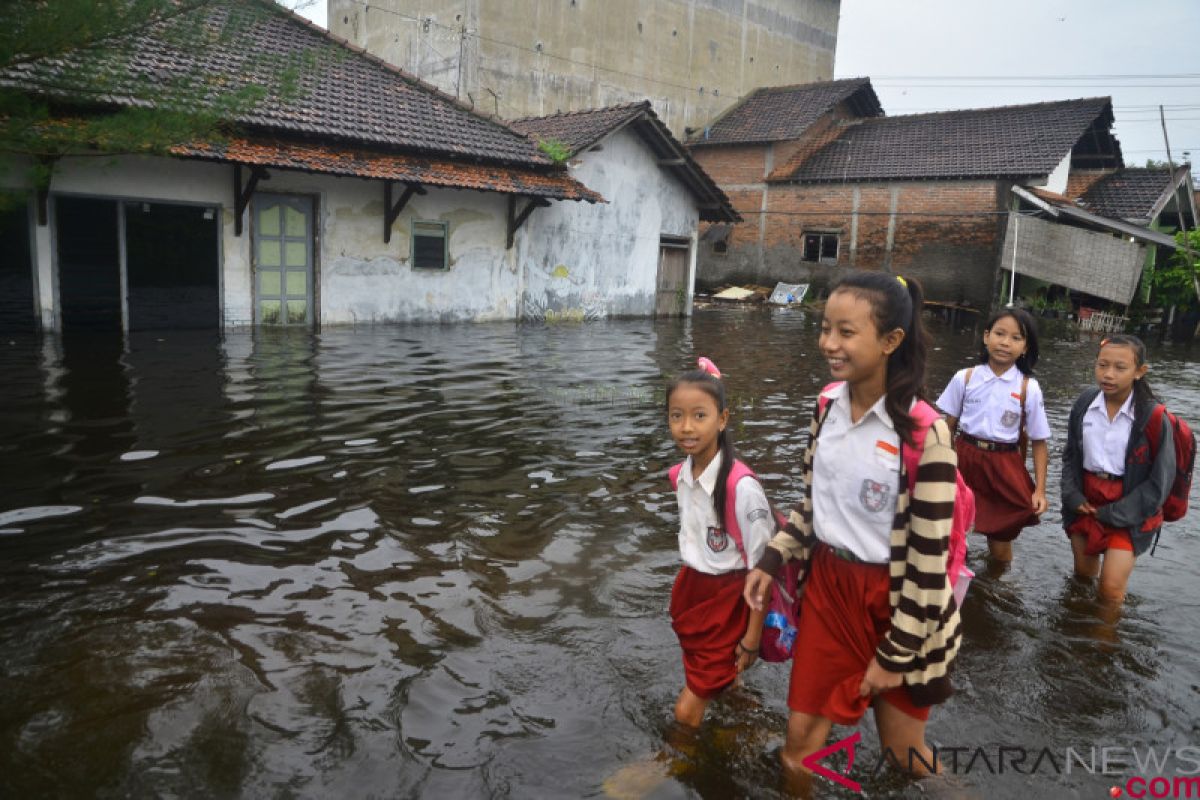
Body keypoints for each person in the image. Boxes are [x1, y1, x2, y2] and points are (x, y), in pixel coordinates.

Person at [743, 272, 961, 785]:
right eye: (824, 329)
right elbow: (813, 506)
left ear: (891, 341)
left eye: (845, 332)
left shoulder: (927, 433)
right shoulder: (826, 407)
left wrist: (895, 655)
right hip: (831, 593)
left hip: (899, 603)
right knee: (799, 750)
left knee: (905, 755)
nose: (828, 344)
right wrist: (772, 558)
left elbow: (929, 566)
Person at [666, 357, 773, 728]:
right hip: (694, 590)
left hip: (729, 600)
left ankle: (673, 761)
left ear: (722, 420)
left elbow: (765, 568)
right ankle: (751, 725)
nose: (686, 427)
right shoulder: (682, 474)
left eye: (699, 416)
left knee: (686, 709)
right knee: (721, 680)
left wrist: (753, 636)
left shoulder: (742, 489)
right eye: (676, 416)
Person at [1061, 335, 1174, 605]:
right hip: (1086, 500)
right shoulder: (1085, 404)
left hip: (1130, 506)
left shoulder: (1153, 417)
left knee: (1111, 590)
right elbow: (1070, 457)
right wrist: (1072, 496)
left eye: (1120, 368)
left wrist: (1116, 513)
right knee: (1083, 577)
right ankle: (1077, 634)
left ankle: (1104, 643)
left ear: (1139, 372)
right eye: (1102, 365)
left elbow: (1159, 483)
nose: (1108, 374)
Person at [935, 308, 1051, 562]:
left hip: (1004, 462)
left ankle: (997, 582)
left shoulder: (1027, 387)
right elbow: (947, 426)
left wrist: (1039, 490)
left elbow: (1039, 442)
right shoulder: (965, 378)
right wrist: (941, 465)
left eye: (1016, 338)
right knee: (952, 528)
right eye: (999, 334)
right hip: (965, 455)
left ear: (1025, 347)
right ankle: (956, 579)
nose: (1005, 343)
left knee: (1001, 537)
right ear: (986, 337)